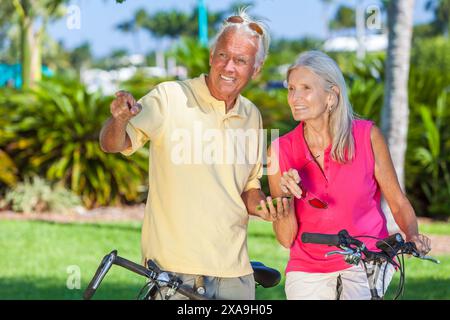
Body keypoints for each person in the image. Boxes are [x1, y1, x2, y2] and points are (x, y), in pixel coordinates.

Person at [99, 9, 288, 300]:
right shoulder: (169, 97)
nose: (228, 67)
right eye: (223, 55)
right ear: (212, 56)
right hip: (175, 272)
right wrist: (120, 119)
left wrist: (269, 207)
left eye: (241, 60)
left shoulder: (252, 115)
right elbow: (112, 143)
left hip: (235, 275)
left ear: (256, 68)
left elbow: (248, 189)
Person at [265, 50, 432, 300]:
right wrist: (286, 198)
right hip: (309, 266)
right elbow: (286, 238)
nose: (295, 98)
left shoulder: (367, 137)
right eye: (291, 89)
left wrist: (412, 235)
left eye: (305, 88)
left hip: (366, 258)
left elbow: (397, 200)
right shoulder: (280, 150)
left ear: (331, 96)